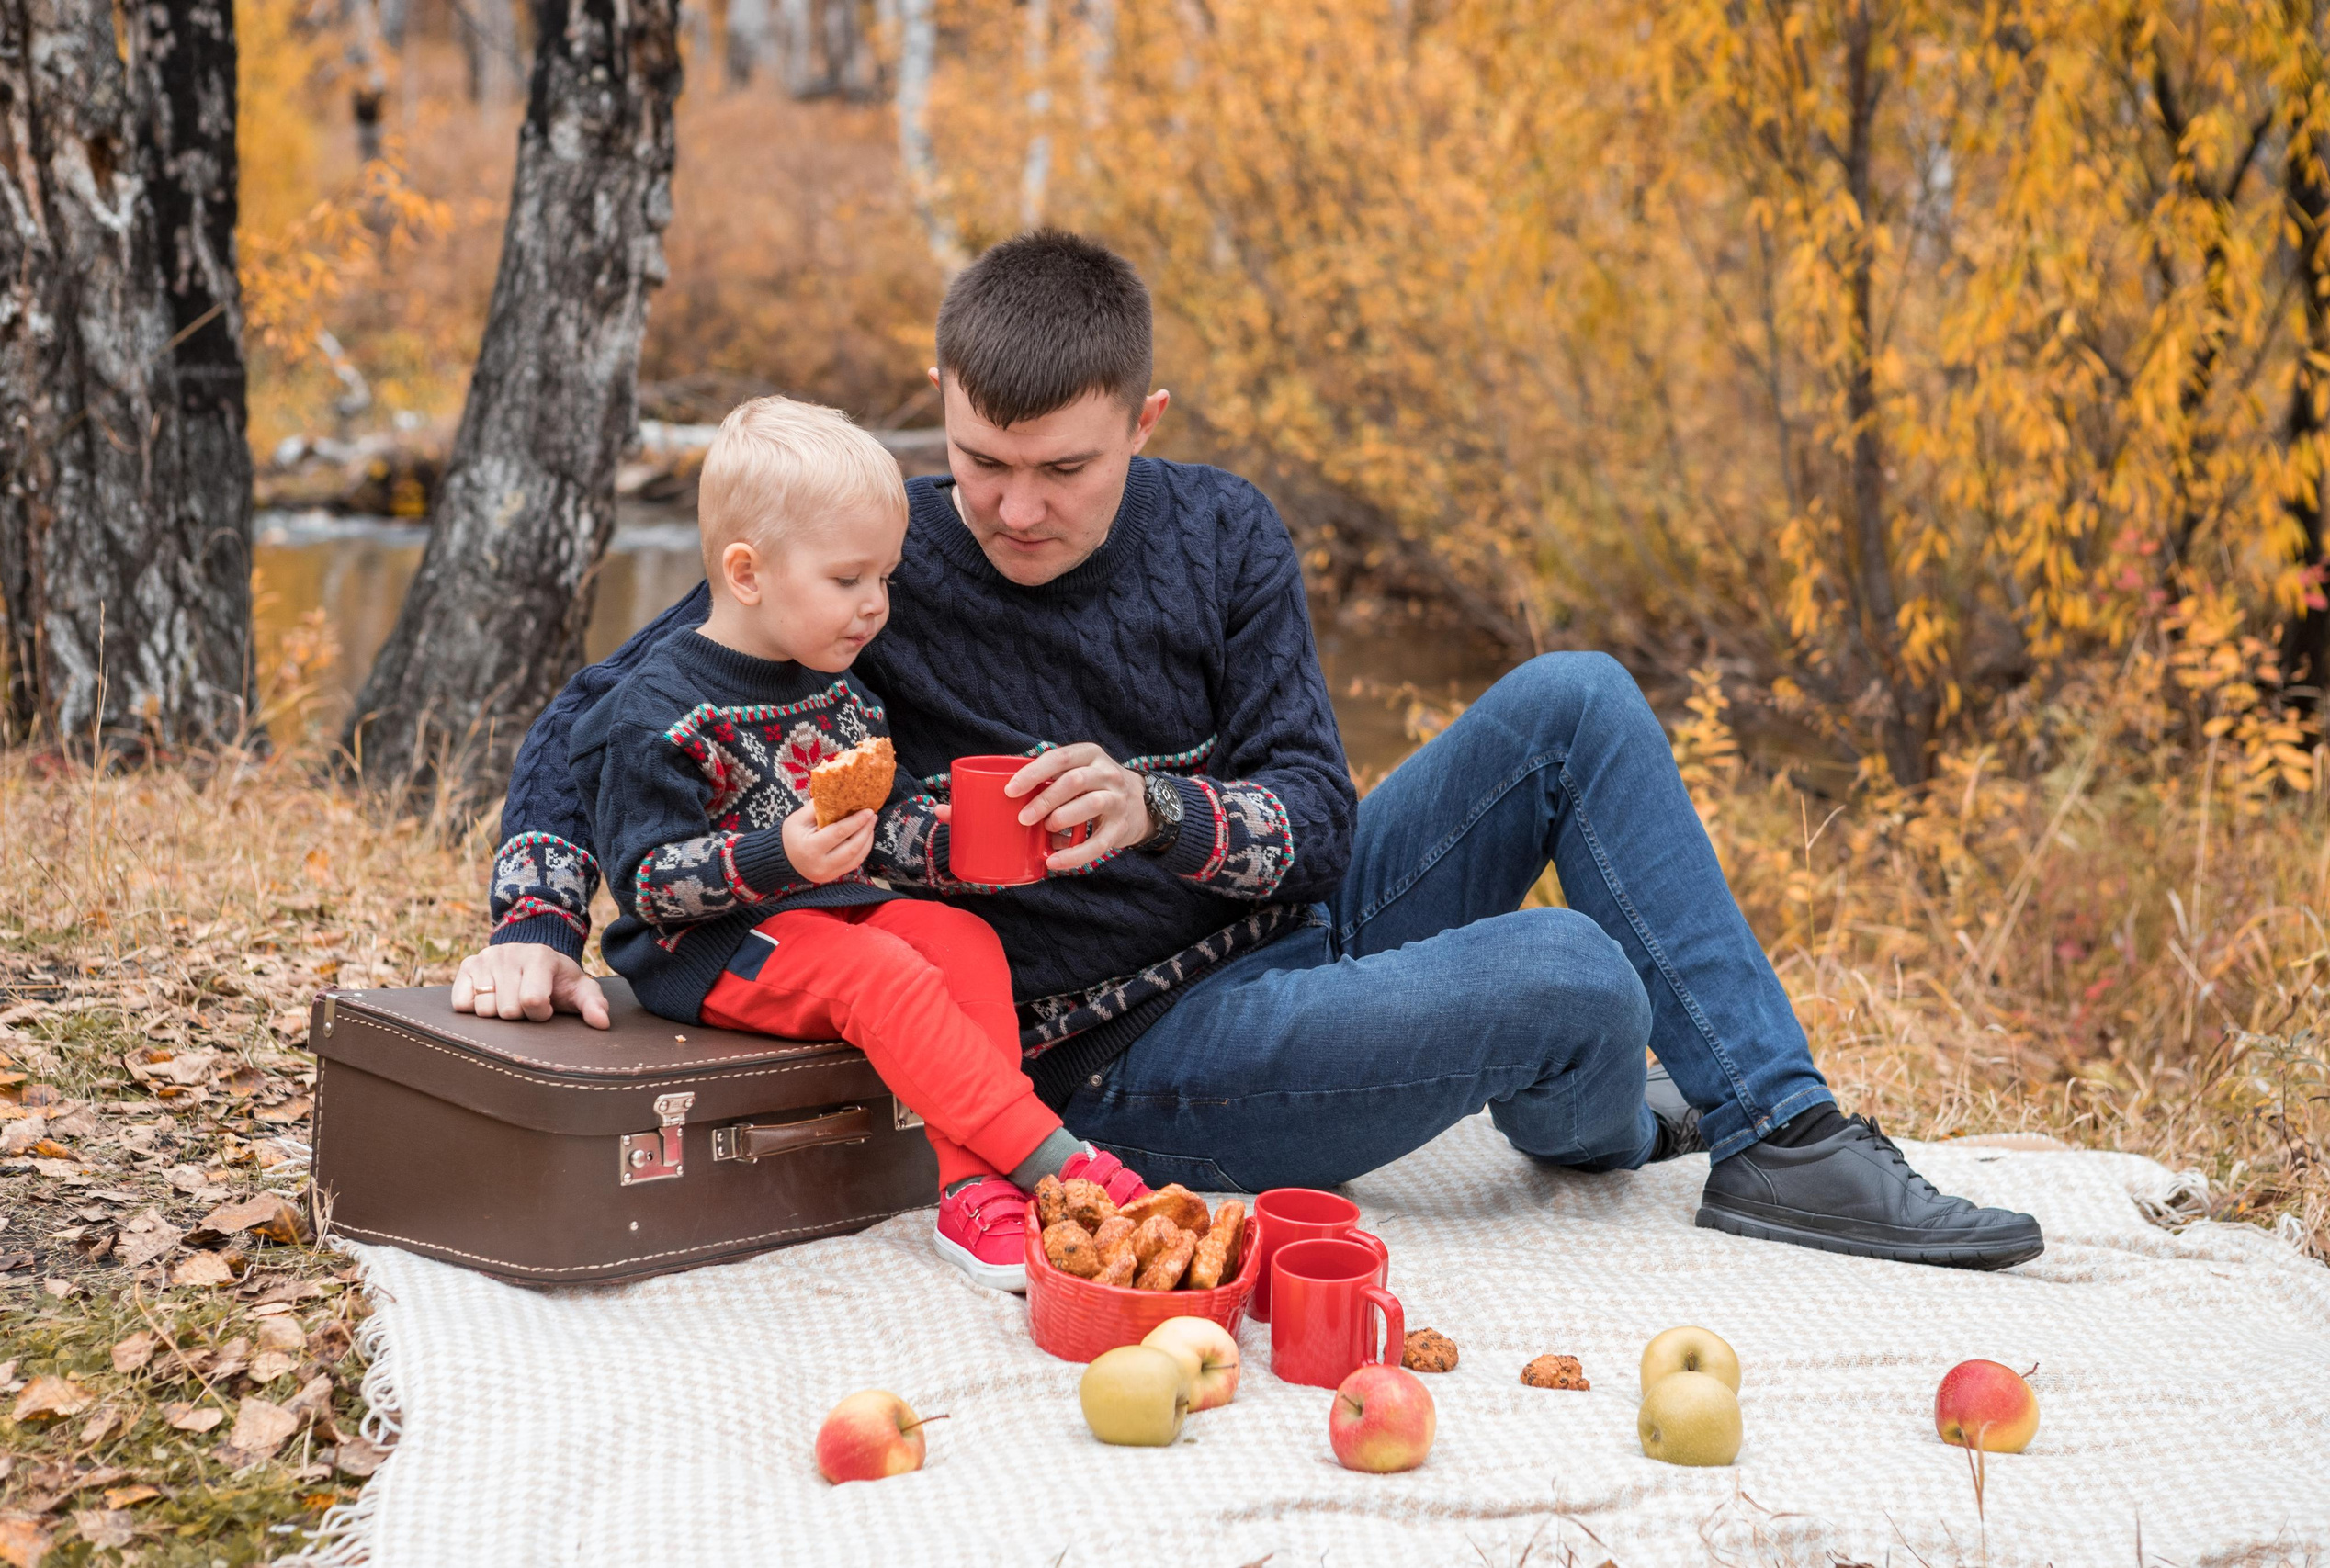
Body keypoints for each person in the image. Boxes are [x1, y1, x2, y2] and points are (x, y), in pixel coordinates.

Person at [459, 230, 2044, 1272]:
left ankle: (1780, 1136)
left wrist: (1158, 808)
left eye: (1064, 468)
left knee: (1576, 695)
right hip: (1131, 1052)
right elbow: (601, 711)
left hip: (1304, 924)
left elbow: (1317, 817)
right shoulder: (869, 561)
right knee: (1573, 975)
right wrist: (533, 918)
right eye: (982, 459)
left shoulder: (1223, 534)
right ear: (939, 406)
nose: (1014, 506)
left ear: (1144, 420)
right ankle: (1607, 1109)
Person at [562, 395, 1147, 1292]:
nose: (875, 606)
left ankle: (973, 1192)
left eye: (886, 578)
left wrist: (970, 838)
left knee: (963, 939)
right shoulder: (658, 711)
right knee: (880, 974)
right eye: (847, 580)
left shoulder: (843, 695)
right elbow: (647, 884)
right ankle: (1058, 1164)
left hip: (824, 913)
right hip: (709, 948)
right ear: (747, 573)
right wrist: (779, 857)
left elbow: (888, 829)